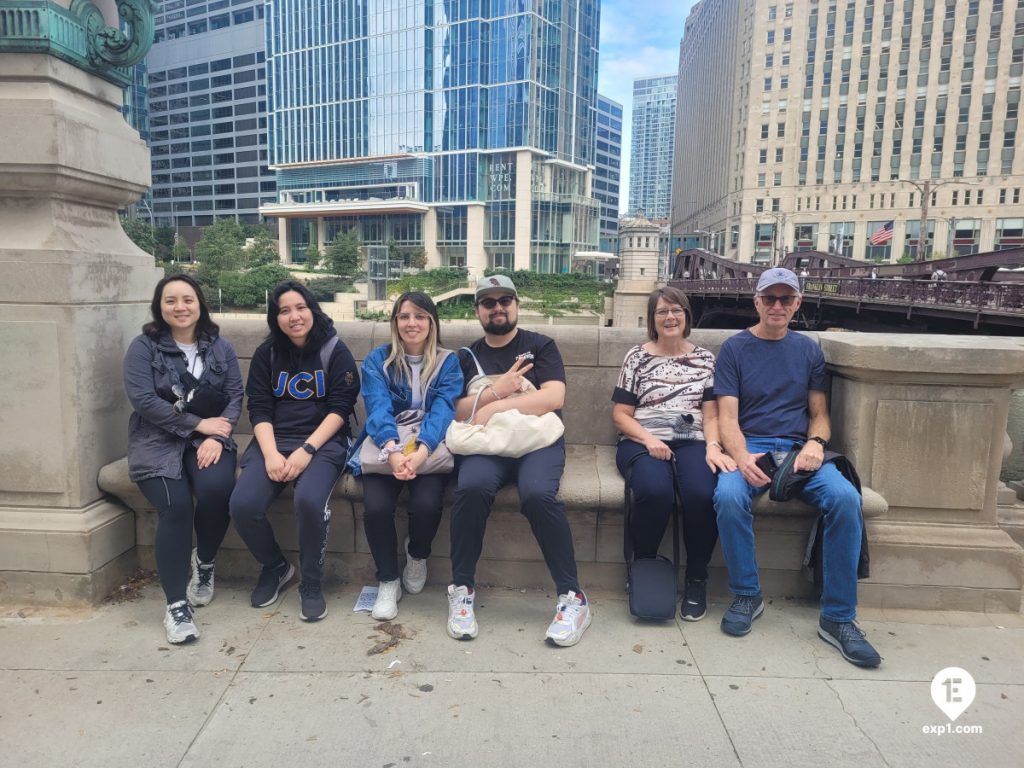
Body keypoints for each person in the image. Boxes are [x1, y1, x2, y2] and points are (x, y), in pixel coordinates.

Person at [712, 268, 881, 668]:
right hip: (750, 447)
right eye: (769, 298)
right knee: (728, 496)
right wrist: (739, 459)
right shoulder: (734, 350)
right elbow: (727, 419)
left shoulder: (808, 351)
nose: (777, 305)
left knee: (844, 497)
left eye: (785, 299)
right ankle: (747, 595)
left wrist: (815, 444)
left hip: (797, 450)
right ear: (755, 301)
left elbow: (819, 415)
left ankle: (839, 618)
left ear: (797, 304)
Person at [446, 275, 592, 647]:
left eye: (505, 300)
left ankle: (573, 598)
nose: (498, 308)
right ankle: (462, 589)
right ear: (477, 310)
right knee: (471, 487)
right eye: (488, 302)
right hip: (488, 444)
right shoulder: (466, 356)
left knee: (538, 495)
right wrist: (496, 390)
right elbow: (458, 409)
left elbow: (553, 398)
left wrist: (496, 402)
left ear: (516, 305)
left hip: (536, 442)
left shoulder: (540, 346)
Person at [229, 280, 359, 622]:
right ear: (276, 317)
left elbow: (340, 408)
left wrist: (307, 450)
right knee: (243, 505)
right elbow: (258, 408)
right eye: (284, 310)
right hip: (274, 439)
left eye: (300, 307)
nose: (294, 316)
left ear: (312, 309)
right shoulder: (267, 354)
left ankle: (311, 583)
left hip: (324, 442)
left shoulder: (335, 351)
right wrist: (271, 455)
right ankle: (275, 567)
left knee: (309, 501)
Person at [123, 274, 243, 644]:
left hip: (209, 438)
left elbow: (235, 395)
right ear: (160, 307)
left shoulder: (219, 347)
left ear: (199, 304)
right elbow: (144, 400)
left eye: (187, 299)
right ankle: (176, 606)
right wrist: (197, 425)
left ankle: (204, 563)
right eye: (171, 300)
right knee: (175, 508)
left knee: (217, 488)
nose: (180, 307)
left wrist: (218, 435)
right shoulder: (144, 348)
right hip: (157, 440)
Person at [612, 287, 736, 621]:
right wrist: (648, 438)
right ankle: (645, 567)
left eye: (677, 310)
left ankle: (696, 577)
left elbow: (710, 415)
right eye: (662, 312)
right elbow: (621, 415)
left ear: (687, 316)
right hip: (640, 440)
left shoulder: (706, 360)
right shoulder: (636, 358)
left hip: (693, 441)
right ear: (653, 319)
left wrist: (712, 446)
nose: (670, 317)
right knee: (655, 492)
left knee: (701, 493)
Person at [348, 292, 463, 620]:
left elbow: (443, 409)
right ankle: (387, 579)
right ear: (395, 322)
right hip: (388, 445)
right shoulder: (377, 361)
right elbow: (377, 407)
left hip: (429, 443)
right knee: (377, 507)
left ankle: (417, 554)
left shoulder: (447, 361)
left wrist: (423, 451)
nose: (412, 323)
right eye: (404, 317)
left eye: (420, 316)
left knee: (427, 504)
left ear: (432, 323)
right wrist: (395, 453)